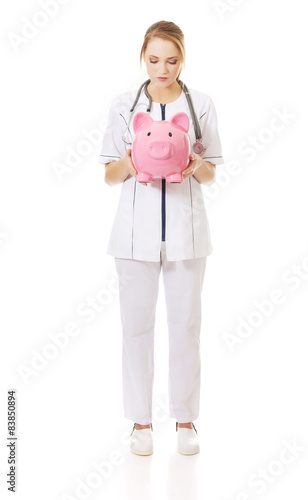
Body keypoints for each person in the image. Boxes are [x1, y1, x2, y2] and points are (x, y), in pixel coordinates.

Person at [98, 20, 224, 456]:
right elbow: (109, 174)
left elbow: (212, 170)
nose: (162, 68)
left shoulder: (200, 104)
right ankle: (140, 423)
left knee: (186, 326)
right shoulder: (123, 105)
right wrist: (133, 163)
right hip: (134, 235)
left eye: (171, 60)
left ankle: (185, 421)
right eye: (154, 60)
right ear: (143, 57)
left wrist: (192, 165)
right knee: (136, 327)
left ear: (182, 58)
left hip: (188, 233)